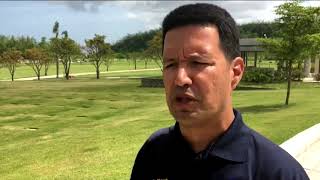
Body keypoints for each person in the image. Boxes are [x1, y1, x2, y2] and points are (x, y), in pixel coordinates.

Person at [131, 3, 309, 180]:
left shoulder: (278, 172)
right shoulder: (154, 152)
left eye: (198, 63)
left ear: (235, 72)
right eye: (170, 64)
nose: (180, 78)